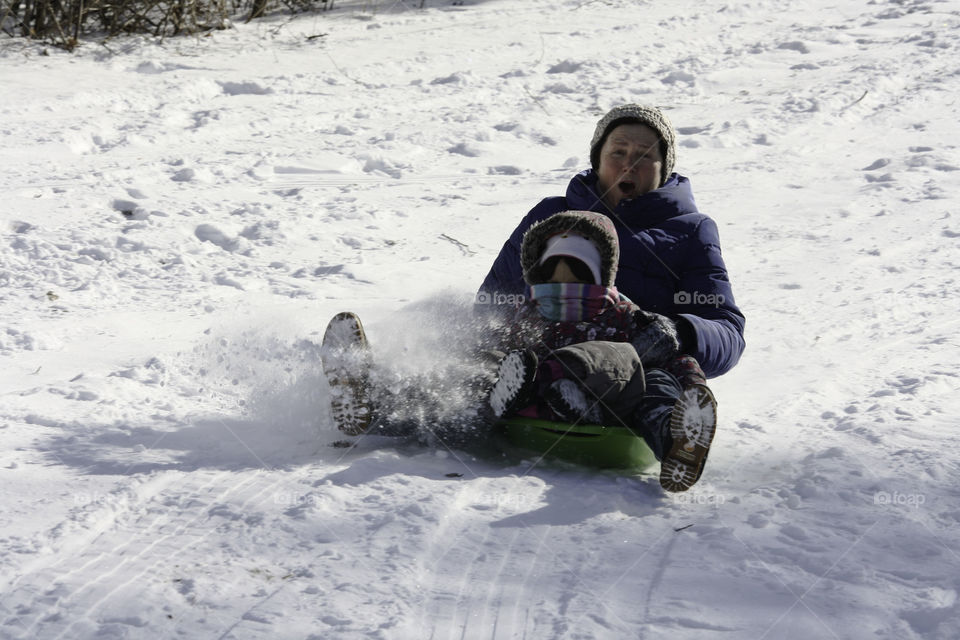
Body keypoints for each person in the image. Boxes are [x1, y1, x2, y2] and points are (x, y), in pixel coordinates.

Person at [478, 104, 746, 490]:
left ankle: (677, 442)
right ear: (597, 158)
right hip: (531, 365)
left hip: (627, 380)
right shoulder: (553, 215)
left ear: (664, 167)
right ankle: (393, 401)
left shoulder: (691, 232)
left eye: (644, 156)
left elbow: (726, 331)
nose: (627, 165)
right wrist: (505, 332)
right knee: (472, 366)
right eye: (617, 152)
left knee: (655, 381)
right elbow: (491, 303)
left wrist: (680, 331)